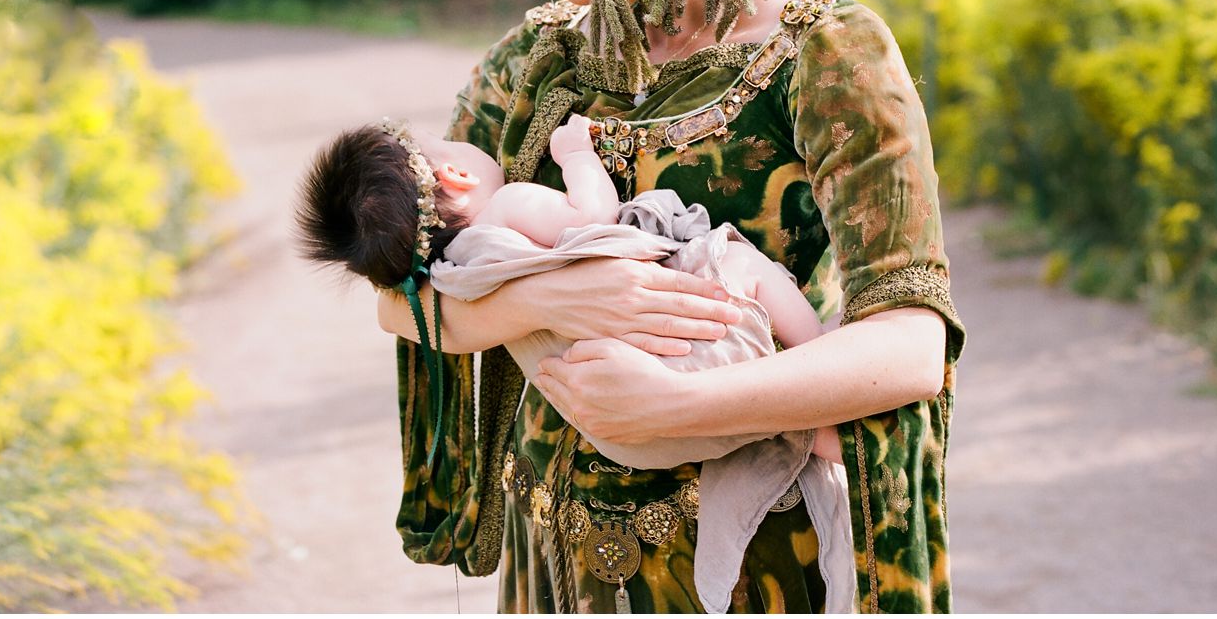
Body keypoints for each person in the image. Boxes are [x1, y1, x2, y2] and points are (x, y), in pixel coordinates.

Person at [375, 0, 964, 614]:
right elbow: (402, 289)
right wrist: (547, 302)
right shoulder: (530, 67)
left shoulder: (823, 54)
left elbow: (908, 346)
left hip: (749, 577)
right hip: (552, 574)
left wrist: (681, 406)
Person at [298, 113, 851, 612]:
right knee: (743, 262)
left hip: (620, 425)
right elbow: (596, 212)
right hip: (675, 349)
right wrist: (576, 156)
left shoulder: (452, 273)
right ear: (454, 175)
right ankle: (817, 355)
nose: (461, 139)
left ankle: (808, 424)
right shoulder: (508, 207)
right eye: (449, 141)